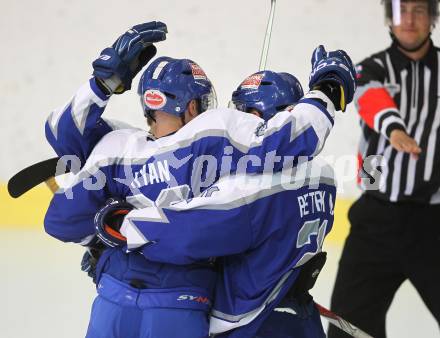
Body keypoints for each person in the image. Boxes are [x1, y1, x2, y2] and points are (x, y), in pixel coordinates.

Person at [44, 22, 355, 338]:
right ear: (192, 105)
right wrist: (326, 91)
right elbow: (289, 141)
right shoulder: (219, 136)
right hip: (201, 303)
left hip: (123, 295)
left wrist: (101, 84)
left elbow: (63, 134)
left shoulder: (117, 145)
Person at [328, 1, 440, 337]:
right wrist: (394, 129)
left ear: (433, 18)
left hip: (433, 223)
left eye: (419, 10)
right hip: (375, 222)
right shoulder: (370, 68)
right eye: (400, 10)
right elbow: (370, 98)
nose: (409, 19)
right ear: (388, 19)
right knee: (348, 329)